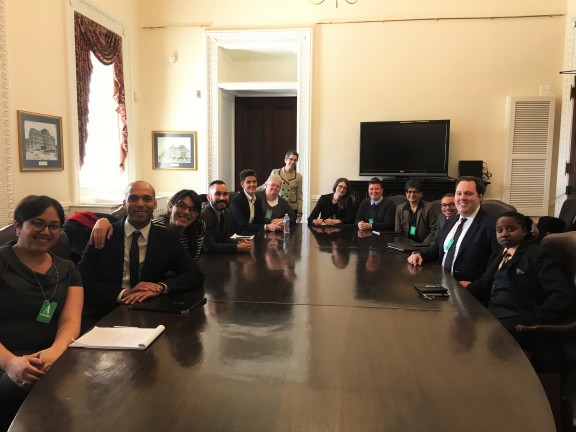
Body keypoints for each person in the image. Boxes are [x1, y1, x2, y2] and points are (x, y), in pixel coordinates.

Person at [0, 196, 83, 431]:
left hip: (49, 357)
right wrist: (10, 363)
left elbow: (70, 320)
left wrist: (54, 353)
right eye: (37, 223)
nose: (46, 231)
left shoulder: (67, 269)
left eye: (54, 226)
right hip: (5, 358)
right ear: (18, 225)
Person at [78, 181, 204, 329]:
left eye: (147, 199)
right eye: (133, 199)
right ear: (124, 204)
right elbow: (80, 281)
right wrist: (124, 293)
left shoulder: (167, 239)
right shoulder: (103, 235)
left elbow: (194, 275)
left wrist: (160, 287)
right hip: (103, 313)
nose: (140, 204)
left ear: (155, 204)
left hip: (147, 313)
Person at [466, 211, 574, 371]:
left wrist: (533, 318)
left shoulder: (538, 255)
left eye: (510, 229)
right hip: (493, 314)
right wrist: (457, 292)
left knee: (478, 342)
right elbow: (484, 282)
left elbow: (561, 295)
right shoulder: (498, 254)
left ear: (524, 231)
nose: (504, 234)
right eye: (499, 230)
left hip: (519, 320)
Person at [407, 176, 499, 283]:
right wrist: (420, 254)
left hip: (467, 291)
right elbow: (439, 247)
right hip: (441, 281)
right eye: (458, 193)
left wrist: (475, 286)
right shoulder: (451, 220)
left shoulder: (492, 226)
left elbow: (496, 266)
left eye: (468, 194)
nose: (462, 198)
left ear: (480, 197)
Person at [90, 189, 206, 263]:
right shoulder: (153, 228)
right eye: (181, 206)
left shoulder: (198, 229)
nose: (186, 212)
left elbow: (192, 262)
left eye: (192, 209)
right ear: (170, 206)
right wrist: (102, 220)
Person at [200, 180, 252, 254]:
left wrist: (238, 242)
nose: (222, 198)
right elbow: (209, 247)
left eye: (225, 194)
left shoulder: (226, 212)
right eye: (218, 194)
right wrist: (237, 247)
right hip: (207, 260)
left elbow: (224, 239)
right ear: (208, 197)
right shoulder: (205, 216)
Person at [230, 169, 282, 234]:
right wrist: (267, 227)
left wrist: (275, 224)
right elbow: (243, 226)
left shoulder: (257, 200)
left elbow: (260, 222)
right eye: (248, 182)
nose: (252, 184)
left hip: (252, 234)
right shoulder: (237, 201)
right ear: (242, 184)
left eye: (254, 182)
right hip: (237, 236)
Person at [394, 179, 437, 245]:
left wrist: (423, 246)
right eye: (409, 192)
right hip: (405, 244)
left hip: (423, 244)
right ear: (406, 193)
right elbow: (398, 231)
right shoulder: (400, 208)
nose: (412, 194)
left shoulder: (429, 207)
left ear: (420, 193)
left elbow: (434, 231)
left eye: (415, 192)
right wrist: (404, 245)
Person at [269, 150, 303, 220]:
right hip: (276, 204)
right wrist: (254, 191)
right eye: (290, 159)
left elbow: (299, 196)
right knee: (273, 223)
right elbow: (266, 185)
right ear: (285, 160)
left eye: (295, 160)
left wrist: (299, 212)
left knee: (290, 227)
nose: (293, 162)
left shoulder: (299, 176)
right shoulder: (275, 172)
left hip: (291, 207)